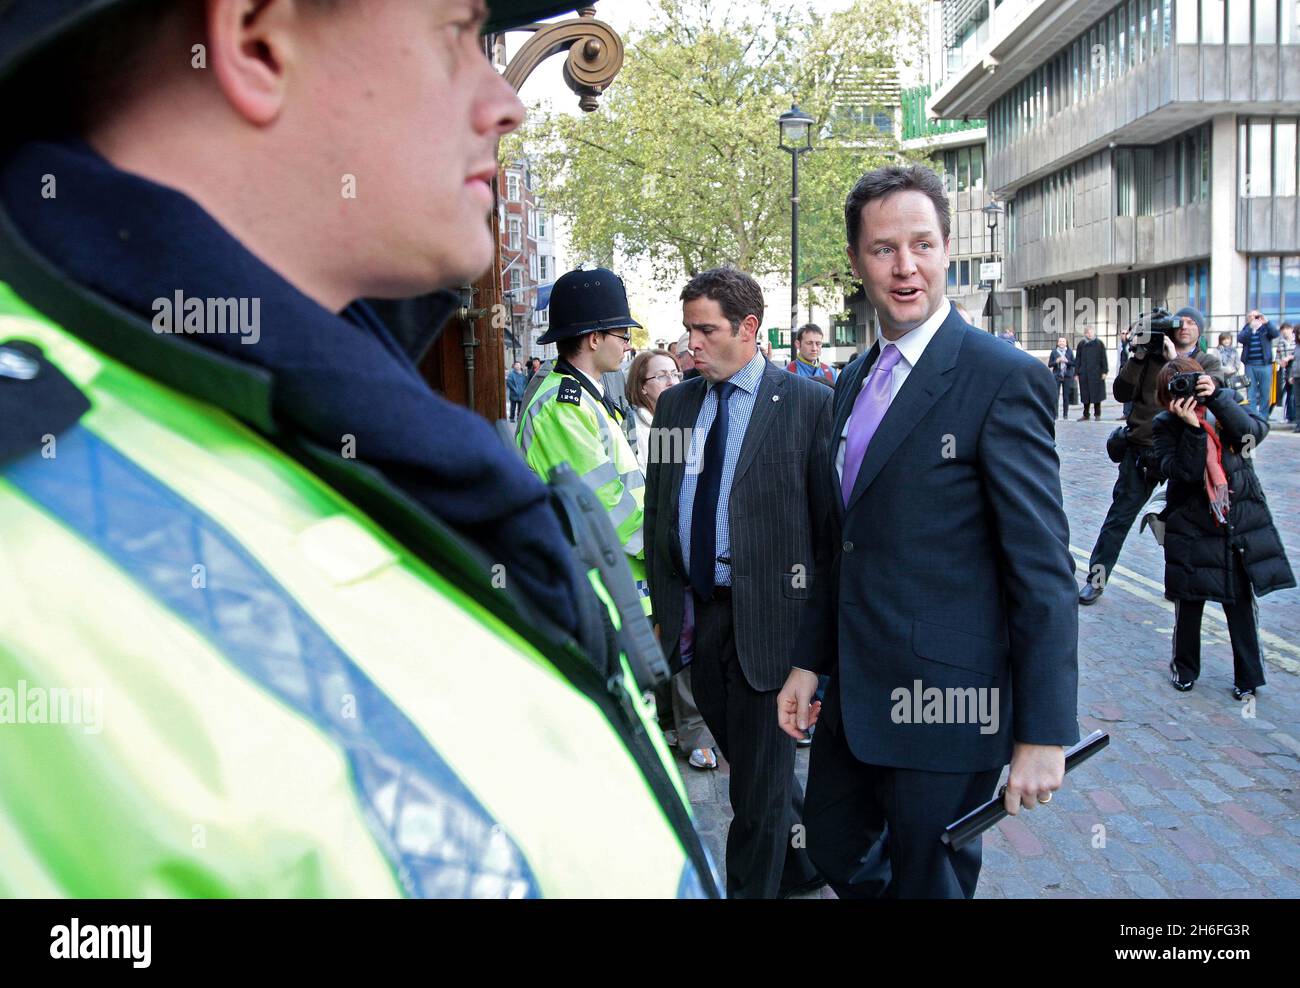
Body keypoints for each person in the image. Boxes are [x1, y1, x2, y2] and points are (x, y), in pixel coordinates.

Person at [0, 0, 715, 898]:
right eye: (458, 32)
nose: (508, 103)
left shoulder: (312, 403)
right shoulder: (31, 546)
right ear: (259, 41)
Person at [777, 164, 1078, 899]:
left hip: (948, 708)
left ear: (947, 249)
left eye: (922, 244)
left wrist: (1043, 732)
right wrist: (808, 661)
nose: (905, 266)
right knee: (835, 847)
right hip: (854, 701)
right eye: (884, 249)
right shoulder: (851, 380)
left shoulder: (1000, 378)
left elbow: (1041, 568)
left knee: (928, 885)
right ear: (856, 263)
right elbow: (838, 541)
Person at [645, 266, 834, 899]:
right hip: (701, 621)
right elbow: (659, 511)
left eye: (706, 330)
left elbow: (829, 533)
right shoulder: (675, 405)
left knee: (752, 797)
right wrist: (662, 612)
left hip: (773, 633)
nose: (691, 345)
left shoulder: (807, 405)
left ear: (748, 329)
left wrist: (816, 649)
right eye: (688, 331)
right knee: (761, 770)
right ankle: (809, 865)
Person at [1152, 358, 1294, 699]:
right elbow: (1184, 474)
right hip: (1191, 524)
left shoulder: (1225, 402)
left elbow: (1250, 434)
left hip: (1235, 519)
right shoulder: (1164, 425)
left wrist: (1216, 398)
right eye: (1175, 387)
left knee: (1239, 602)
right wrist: (1192, 429)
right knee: (1189, 602)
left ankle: (1248, 677)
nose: (1184, 392)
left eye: (1189, 382)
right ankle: (1185, 669)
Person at [515, 267, 650, 613]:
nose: (627, 345)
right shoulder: (562, 407)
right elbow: (602, 505)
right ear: (594, 338)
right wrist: (665, 547)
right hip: (597, 596)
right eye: (622, 335)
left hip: (616, 588)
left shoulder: (588, 397)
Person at [1079, 306, 1223, 605]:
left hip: (1187, 454)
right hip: (1143, 452)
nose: (1185, 327)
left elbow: (1210, 398)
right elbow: (1121, 392)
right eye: (1180, 322)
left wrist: (1176, 360)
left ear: (1201, 329)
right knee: (1118, 519)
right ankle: (1097, 578)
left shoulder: (1207, 361)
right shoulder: (1149, 356)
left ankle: (1182, 585)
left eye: (1192, 323)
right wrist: (1138, 356)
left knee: (1185, 524)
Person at [626, 349, 718, 771]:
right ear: (641, 387)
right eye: (660, 375)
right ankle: (681, 725)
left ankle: (686, 727)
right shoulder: (633, 428)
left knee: (680, 639)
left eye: (674, 373)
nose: (671, 380)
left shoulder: (683, 420)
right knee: (673, 640)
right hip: (646, 556)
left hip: (676, 552)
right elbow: (653, 496)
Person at [1239, 309, 1279, 419]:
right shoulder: (1247, 329)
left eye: (1256, 316)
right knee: (1250, 391)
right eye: (1251, 316)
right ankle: (1252, 416)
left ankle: (1263, 416)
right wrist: (1251, 328)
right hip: (1250, 365)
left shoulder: (1266, 328)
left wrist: (1267, 322)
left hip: (1265, 365)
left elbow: (1275, 334)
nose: (1254, 318)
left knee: (1265, 391)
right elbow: (1240, 339)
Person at [1075, 324, 1109, 420]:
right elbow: (1078, 359)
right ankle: (1086, 414)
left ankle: (1097, 414)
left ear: (1094, 332)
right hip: (1084, 374)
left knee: (1097, 394)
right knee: (1085, 395)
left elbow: (1103, 358)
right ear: (1085, 334)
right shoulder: (1081, 344)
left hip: (1096, 373)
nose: (1089, 334)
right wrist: (1077, 372)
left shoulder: (1099, 343)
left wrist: (1104, 371)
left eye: (1091, 332)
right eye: (1087, 332)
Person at [1048, 335, 1076, 420]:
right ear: (1057, 343)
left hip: (1067, 376)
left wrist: (1067, 361)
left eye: (1063, 341)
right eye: (1060, 341)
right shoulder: (1054, 352)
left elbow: (1074, 364)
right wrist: (1056, 361)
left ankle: (1065, 414)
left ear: (1066, 343)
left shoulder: (1070, 352)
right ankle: (1055, 414)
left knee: (1066, 396)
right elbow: (1050, 364)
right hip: (1057, 376)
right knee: (1055, 396)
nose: (1061, 343)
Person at [1275, 323, 1294, 422]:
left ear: (1291, 329)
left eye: (1287, 329)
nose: (1285, 332)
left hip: (1295, 367)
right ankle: (1290, 416)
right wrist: (1281, 362)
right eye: (1283, 330)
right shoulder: (1281, 343)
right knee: (1289, 393)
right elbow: (1277, 358)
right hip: (1287, 369)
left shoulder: (1296, 341)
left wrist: (1290, 357)